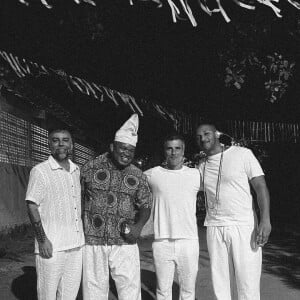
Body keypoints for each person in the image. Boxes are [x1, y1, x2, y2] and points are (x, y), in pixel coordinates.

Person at [196, 122, 272, 300]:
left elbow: (260, 187)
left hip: (244, 226)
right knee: (220, 284)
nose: (203, 138)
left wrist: (265, 220)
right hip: (215, 227)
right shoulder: (202, 165)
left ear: (216, 134)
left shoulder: (242, 154)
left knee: (247, 283)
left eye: (206, 133)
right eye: (198, 137)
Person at [81, 114, 152, 300]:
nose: (126, 153)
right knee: (93, 290)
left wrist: (138, 227)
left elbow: (146, 205)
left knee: (129, 289)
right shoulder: (90, 168)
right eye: (122, 148)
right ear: (112, 147)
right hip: (93, 240)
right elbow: (75, 193)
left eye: (130, 150)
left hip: (124, 241)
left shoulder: (138, 175)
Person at [25, 129, 84, 300]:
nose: (61, 144)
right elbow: (32, 206)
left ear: (71, 145)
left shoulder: (76, 170)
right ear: (49, 144)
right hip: (52, 248)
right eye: (55, 140)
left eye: (65, 140)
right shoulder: (40, 171)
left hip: (76, 246)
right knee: (47, 296)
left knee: (69, 297)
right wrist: (42, 240)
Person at [144, 134, 200, 300]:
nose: (173, 152)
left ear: (183, 151)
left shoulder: (196, 175)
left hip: (189, 241)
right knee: (163, 291)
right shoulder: (153, 174)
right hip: (162, 242)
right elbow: (130, 182)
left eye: (177, 148)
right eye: (169, 148)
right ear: (164, 151)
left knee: (188, 291)